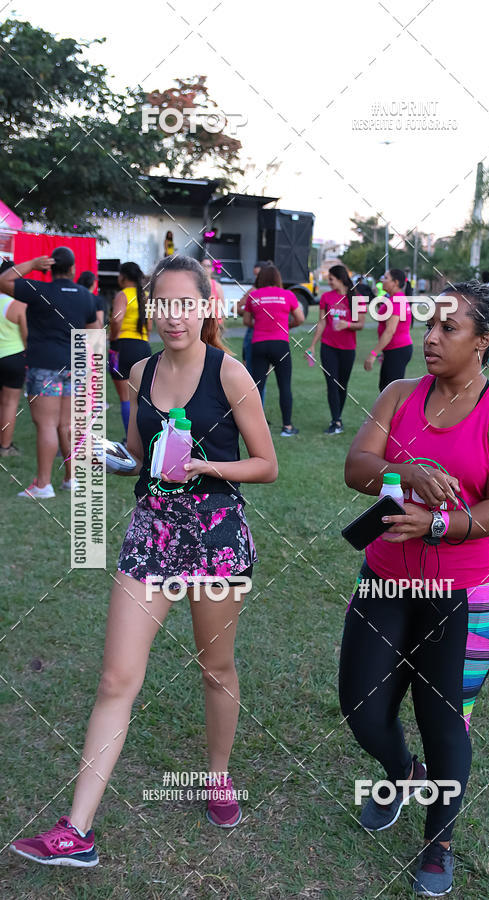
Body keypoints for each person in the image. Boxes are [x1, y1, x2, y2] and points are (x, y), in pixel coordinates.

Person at [9, 253, 278, 868]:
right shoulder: (141, 369)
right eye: (164, 304)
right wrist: (116, 456)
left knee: (216, 669)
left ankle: (217, 776)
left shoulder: (230, 373)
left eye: (187, 304)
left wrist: (204, 465)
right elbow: (139, 448)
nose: (174, 316)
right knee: (115, 678)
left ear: (207, 306)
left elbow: (266, 465)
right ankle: (76, 831)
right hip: (152, 534)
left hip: (214, 536)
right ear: (151, 307)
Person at [340, 280, 489, 896]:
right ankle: (401, 772)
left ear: (483, 342)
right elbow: (357, 467)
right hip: (386, 578)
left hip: (468, 590)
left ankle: (439, 839)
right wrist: (406, 470)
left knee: (444, 716)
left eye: (448, 328)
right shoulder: (400, 393)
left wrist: (442, 523)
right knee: (362, 707)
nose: (429, 337)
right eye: (428, 324)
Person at [0, 247, 99, 498]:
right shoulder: (85, 296)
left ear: (50, 267)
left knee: (46, 424)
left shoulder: (39, 290)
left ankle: (43, 485)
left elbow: (3, 280)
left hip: (44, 366)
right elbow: (94, 329)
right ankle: (71, 479)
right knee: (66, 425)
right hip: (75, 366)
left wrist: (32, 263)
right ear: (74, 269)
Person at [242, 263, 304, 435]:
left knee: (257, 386)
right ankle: (287, 427)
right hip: (280, 344)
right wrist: (286, 326)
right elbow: (300, 318)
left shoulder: (254, 296)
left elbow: (246, 321)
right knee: (284, 385)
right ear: (278, 279)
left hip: (259, 344)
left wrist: (261, 324)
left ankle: (255, 427)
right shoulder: (287, 295)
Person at [307, 264, 366, 434]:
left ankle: (337, 417)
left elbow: (361, 324)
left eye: (331, 279)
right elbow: (322, 322)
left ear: (340, 279)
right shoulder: (326, 297)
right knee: (332, 383)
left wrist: (345, 324)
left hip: (347, 348)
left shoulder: (356, 298)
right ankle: (336, 421)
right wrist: (312, 345)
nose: (329, 282)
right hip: (328, 347)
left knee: (342, 385)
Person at [109, 262, 152, 436]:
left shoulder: (122, 294)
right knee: (141, 398)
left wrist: (113, 337)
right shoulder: (146, 295)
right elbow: (149, 326)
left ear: (123, 277)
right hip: (143, 346)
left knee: (125, 398)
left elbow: (117, 319)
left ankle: (130, 440)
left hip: (122, 347)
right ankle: (142, 439)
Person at [363, 268, 413, 391]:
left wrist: (373, 353)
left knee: (390, 392)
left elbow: (390, 331)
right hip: (394, 350)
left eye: (386, 278)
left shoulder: (396, 300)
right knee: (387, 389)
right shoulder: (395, 298)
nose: (382, 280)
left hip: (397, 349)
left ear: (395, 282)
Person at [0, 260, 27, 457]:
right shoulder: (18, 305)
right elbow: (27, 337)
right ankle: (5, 447)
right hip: (13, 357)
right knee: (9, 403)